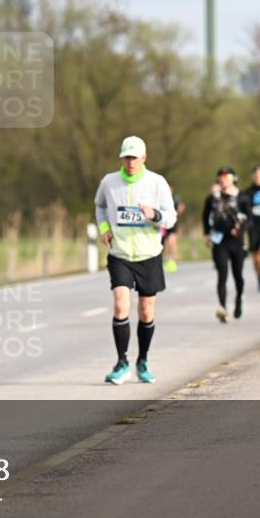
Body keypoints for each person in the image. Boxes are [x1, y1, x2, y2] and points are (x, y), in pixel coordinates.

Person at [94, 136, 177, 386]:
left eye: (134, 158)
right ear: (121, 158)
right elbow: (100, 207)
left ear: (144, 158)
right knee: (121, 304)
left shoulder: (157, 182)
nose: (130, 162)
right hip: (119, 254)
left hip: (148, 255)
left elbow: (171, 217)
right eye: (126, 157)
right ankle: (121, 363)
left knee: (146, 310)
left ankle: (143, 360)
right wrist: (105, 228)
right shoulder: (109, 182)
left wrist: (155, 215)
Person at [202, 167, 250, 323]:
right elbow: (205, 216)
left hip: (236, 241)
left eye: (226, 177)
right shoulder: (213, 198)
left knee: (238, 276)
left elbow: (249, 218)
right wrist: (206, 234)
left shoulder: (242, 197)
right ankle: (222, 308)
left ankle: (239, 299)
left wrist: (239, 228)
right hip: (219, 241)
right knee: (222, 274)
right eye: (220, 177)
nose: (223, 179)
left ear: (233, 178)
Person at [161, 186, 185, 273]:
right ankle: (165, 259)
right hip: (162, 223)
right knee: (163, 242)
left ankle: (172, 259)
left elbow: (181, 206)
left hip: (172, 222)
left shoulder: (175, 198)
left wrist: (176, 214)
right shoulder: (160, 197)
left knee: (171, 240)